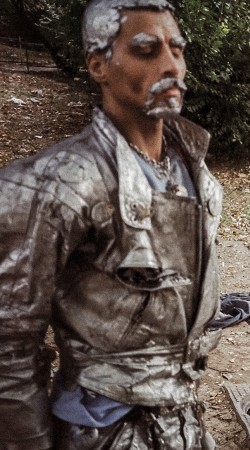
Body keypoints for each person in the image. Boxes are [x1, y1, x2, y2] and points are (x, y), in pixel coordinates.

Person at [0, 1, 224, 448]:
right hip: (104, 434)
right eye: (146, 50)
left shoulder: (193, 168)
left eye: (177, 49)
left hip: (184, 426)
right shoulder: (56, 184)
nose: (171, 65)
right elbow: (9, 347)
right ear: (98, 65)